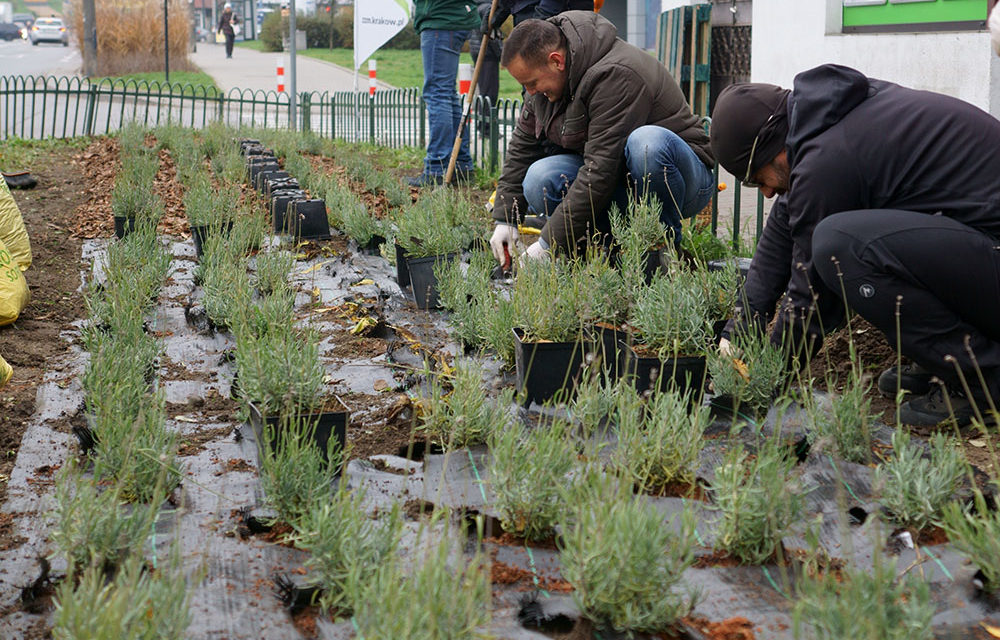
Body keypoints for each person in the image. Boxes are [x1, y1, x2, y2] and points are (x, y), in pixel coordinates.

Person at [709, 63, 1000, 427]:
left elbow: (810, 297)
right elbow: (786, 223)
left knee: (840, 248)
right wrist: (741, 327)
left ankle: (984, 377)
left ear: (773, 148)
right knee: (839, 237)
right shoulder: (821, 122)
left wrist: (766, 381)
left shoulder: (829, 158)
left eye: (756, 180)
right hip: (981, 252)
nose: (765, 192)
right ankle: (945, 361)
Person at [489, 12, 715, 264]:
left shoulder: (617, 73)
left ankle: (663, 252)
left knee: (647, 144)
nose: (529, 93)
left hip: (681, 180)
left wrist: (547, 243)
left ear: (556, 61)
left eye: (532, 83)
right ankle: (603, 250)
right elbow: (522, 147)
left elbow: (600, 170)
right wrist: (506, 219)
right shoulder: (545, 83)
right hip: (622, 181)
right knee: (540, 178)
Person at [474, 0, 596, 136]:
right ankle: (536, 148)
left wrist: (540, 20)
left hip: (559, 22)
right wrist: (497, 12)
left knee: (556, 97)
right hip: (527, 17)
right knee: (532, 96)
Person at [407, 0, 479, 187]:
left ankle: (436, 168)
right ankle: (461, 164)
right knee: (446, 93)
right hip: (452, 17)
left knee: (438, 93)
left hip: (441, 18)